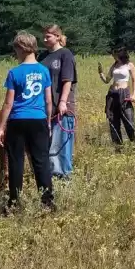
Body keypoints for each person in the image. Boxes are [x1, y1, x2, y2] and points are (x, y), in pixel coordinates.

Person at [0, 32, 55, 211]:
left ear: (21, 49)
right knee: (41, 161)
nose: (15, 53)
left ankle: (14, 202)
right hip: (38, 119)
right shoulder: (44, 71)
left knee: (16, 161)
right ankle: (47, 202)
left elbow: (8, 103)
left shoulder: (14, 73)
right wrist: (48, 121)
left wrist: (1, 127)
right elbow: (48, 101)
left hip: (18, 120)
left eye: (16, 49)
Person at [38, 24, 77, 179]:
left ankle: (64, 178)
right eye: (43, 36)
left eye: (48, 36)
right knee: (47, 146)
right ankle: (50, 177)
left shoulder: (65, 54)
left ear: (58, 37)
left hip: (61, 108)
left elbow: (68, 80)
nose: (44, 39)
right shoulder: (42, 57)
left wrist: (63, 102)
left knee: (60, 146)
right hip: (44, 108)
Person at [98, 47, 135, 146]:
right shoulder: (114, 65)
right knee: (113, 119)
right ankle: (117, 145)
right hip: (113, 93)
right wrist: (101, 73)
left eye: (114, 54)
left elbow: (134, 80)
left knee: (128, 119)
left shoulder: (129, 65)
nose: (112, 56)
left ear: (120, 54)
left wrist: (134, 94)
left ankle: (134, 142)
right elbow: (107, 80)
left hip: (124, 93)